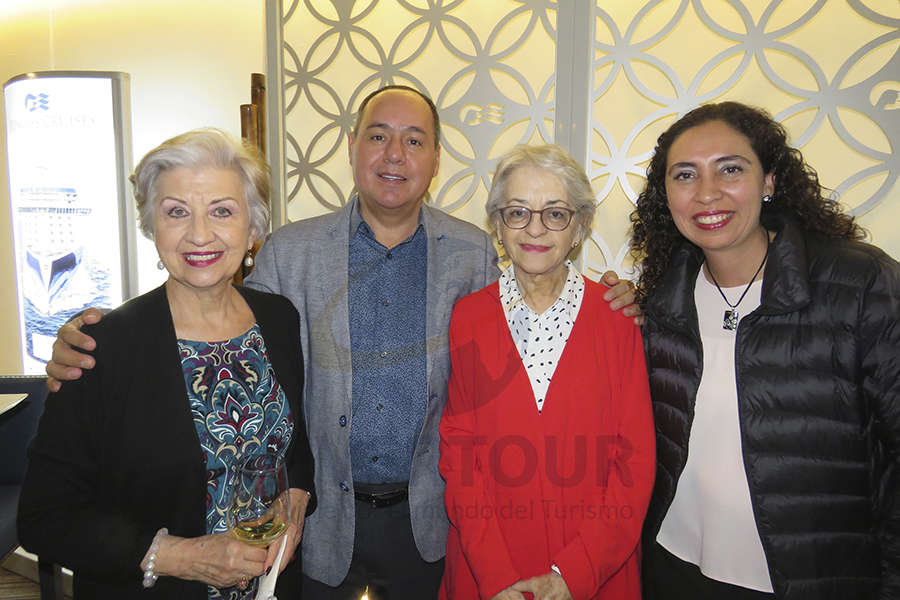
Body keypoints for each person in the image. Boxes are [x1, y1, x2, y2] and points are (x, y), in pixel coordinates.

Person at [45, 86, 640, 599]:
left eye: (414, 140)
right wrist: (89, 340)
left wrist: (612, 299)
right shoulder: (289, 252)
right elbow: (217, 317)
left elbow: (527, 326)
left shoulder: (475, 255)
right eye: (378, 136)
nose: (394, 154)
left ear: (436, 160)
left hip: (431, 519)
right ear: (352, 147)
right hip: (320, 521)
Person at [18, 129, 316, 599]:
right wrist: (181, 556)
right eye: (177, 212)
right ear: (152, 226)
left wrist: (296, 497)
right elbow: (42, 518)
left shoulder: (278, 320)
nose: (199, 234)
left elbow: (293, 450)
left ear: (253, 227)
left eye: (222, 211)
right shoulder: (103, 347)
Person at [630, 102, 900, 600]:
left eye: (730, 169)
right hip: (672, 568)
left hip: (811, 577)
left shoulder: (859, 283)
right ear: (665, 196)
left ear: (770, 180)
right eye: (685, 175)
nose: (708, 193)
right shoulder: (660, 305)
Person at [439, 145, 655, 600]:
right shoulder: (469, 318)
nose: (535, 228)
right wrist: (496, 575)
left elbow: (634, 463)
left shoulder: (617, 317)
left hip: (595, 573)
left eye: (555, 213)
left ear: (579, 227)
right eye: (517, 212)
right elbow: (460, 457)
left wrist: (574, 573)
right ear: (498, 225)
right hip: (489, 573)